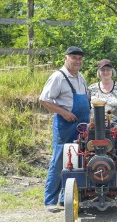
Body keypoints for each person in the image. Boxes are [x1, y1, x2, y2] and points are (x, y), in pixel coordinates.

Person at [39, 46, 90, 212]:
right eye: (74, 58)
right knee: (60, 160)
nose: (77, 61)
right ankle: (50, 201)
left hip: (82, 126)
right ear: (66, 58)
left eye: (80, 59)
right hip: (65, 125)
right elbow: (44, 100)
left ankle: (65, 198)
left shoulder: (80, 77)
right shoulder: (58, 77)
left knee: (77, 160)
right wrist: (64, 113)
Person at [88, 59, 117, 131]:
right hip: (95, 129)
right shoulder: (91, 89)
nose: (105, 72)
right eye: (103, 70)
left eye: (108, 69)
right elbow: (86, 110)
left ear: (112, 71)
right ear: (99, 72)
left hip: (116, 128)